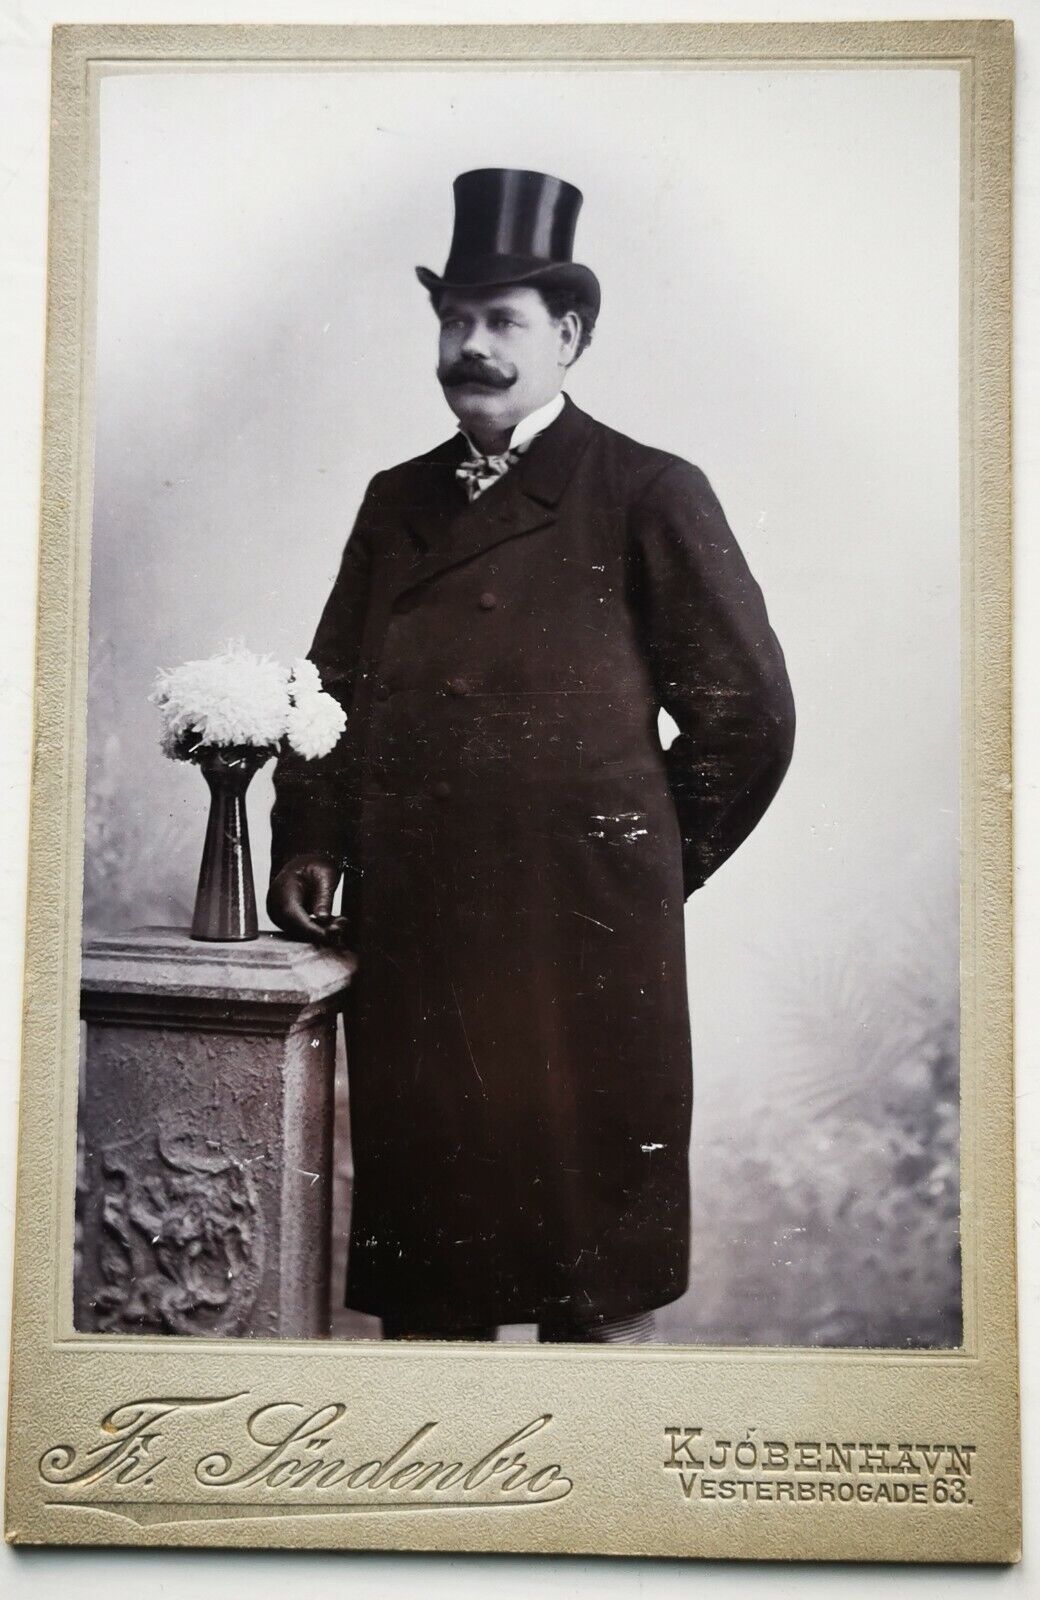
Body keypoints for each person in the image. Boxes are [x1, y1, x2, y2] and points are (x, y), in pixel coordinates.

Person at [268, 168, 795, 1344]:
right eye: (454, 319)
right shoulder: (393, 500)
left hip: (585, 949)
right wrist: (308, 834)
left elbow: (748, 716)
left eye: (501, 320)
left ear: (567, 335)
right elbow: (328, 692)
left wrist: (641, 862)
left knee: (587, 1290)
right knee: (437, 1295)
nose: (472, 346)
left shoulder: (647, 491)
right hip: (425, 943)